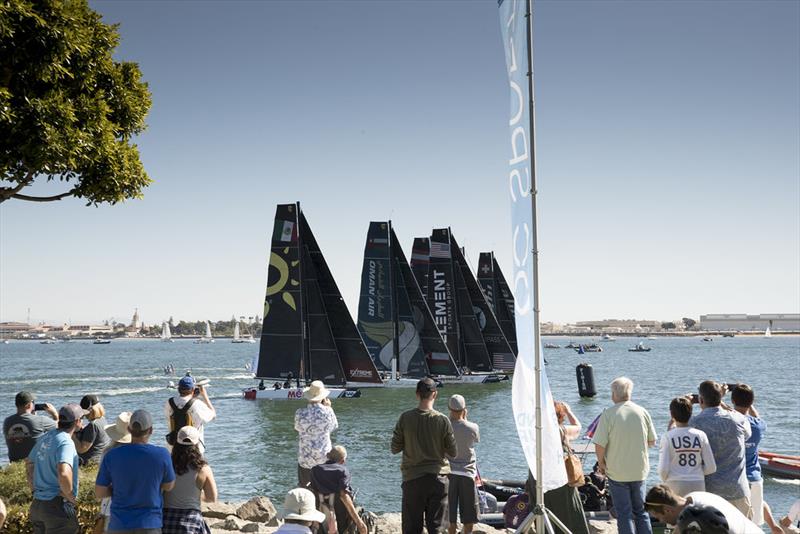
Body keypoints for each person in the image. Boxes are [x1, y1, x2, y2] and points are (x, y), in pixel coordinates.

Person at [391, 377, 457, 534]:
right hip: (438, 478)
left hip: (412, 479)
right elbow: (453, 452)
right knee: (438, 529)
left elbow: (394, 448)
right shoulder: (442, 420)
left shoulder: (405, 418)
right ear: (435, 394)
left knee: (412, 528)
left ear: (417, 394)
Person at [592, 377, 657, 534]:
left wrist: (601, 463)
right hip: (639, 470)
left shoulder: (608, 414)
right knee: (641, 512)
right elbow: (652, 441)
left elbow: (599, 444)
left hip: (617, 471)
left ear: (614, 393)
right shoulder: (642, 412)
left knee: (624, 513)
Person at [96, 409, 176, 532]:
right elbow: (169, 486)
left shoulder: (111, 455)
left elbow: (100, 492)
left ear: (129, 429)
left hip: (119, 523)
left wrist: (116, 489)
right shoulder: (162, 454)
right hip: (150, 522)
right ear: (151, 430)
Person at [689, 381, 752, 517]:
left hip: (710, 492)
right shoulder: (739, 419)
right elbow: (747, 435)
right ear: (721, 398)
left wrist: (685, 405)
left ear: (700, 399)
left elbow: (675, 434)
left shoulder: (694, 423)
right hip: (738, 489)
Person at [26, 404, 85, 534]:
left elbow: (29, 462)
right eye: (82, 417)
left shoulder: (46, 437)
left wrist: (34, 489)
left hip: (38, 505)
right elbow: (63, 472)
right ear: (77, 421)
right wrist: (70, 497)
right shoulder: (66, 442)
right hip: (57, 507)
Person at [537, 401, 590, 534]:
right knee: (567, 513)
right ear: (561, 416)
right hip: (558, 478)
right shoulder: (560, 430)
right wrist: (569, 411)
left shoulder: (534, 431)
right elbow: (578, 427)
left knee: (543, 513)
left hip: (538, 476)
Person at [163, 426, 218, 534]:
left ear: (176, 443)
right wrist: (197, 495)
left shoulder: (167, 463)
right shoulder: (203, 469)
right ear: (197, 444)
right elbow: (212, 497)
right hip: (191, 522)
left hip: (167, 520)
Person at [644, 484, 761, 533]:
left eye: (659, 517)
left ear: (667, 509)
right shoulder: (694, 498)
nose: (660, 521)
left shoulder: (699, 514)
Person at [658, 397, 716, 495]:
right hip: (697, 483)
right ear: (691, 414)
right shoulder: (700, 435)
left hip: (674, 483)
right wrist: (696, 473)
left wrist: (666, 480)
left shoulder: (667, 436)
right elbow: (711, 467)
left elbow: (663, 469)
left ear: (671, 414)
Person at [730, 384, 769, 526]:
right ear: (752, 402)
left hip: (737, 481)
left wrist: (720, 401)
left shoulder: (730, 423)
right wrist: (750, 405)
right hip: (755, 480)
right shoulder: (758, 425)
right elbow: (757, 418)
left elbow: (720, 414)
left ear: (733, 400)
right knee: (754, 526)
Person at [310, 445, 368, 534]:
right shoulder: (343, 471)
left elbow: (313, 492)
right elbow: (344, 496)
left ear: (328, 456)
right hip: (340, 520)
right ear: (343, 460)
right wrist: (359, 522)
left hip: (320, 516)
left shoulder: (314, 470)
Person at [446, 394, 480, 534]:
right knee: (469, 516)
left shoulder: (445, 426)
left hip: (449, 473)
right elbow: (475, 440)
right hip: (467, 473)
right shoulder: (473, 427)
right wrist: (464, 419)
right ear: (464, 409)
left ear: (449, 409)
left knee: (450, 515)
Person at [295, 380, 338, 488]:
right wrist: (329, 407)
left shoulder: (300, 412)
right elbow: (334, 427)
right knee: (323, 487)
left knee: (304, 486)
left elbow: (297, 428)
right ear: (322, 397)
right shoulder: (328, 412)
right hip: (323, 457)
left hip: (305, 456)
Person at [95, 412, 133, 534]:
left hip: (110, 508)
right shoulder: (142, 454)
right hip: (136, 510)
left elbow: (101, 487)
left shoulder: (108, 453)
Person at [164, 375, 216, 454]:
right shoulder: (197, 404)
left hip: (173, 448)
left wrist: (192, 398)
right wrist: (205, 396)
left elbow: (181, 405)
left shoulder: (169, 403)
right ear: (193, 389)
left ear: (178, 389)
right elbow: (213, 415)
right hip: (194, 450)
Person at [4, 391, 58, 462]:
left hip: (14, 463)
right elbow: (59, 427)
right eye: (33, 402)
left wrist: (34, 417)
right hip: (34, 464)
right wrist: (54, 414)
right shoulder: (40, 420)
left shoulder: (7, 421)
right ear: (29, 405)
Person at [74, 394, 111, 465]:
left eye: (85, 412)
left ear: (91, 410)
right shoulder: (102, 419)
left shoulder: (93, 426)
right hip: (100, 459)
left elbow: (82, 449)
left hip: (90, 463)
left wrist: (72, 433)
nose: (84, 415)